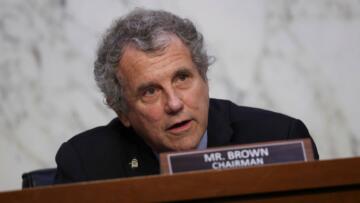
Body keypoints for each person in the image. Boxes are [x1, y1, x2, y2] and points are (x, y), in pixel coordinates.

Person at [55, 8, 319, 184]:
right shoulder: (86, 166)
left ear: (204, 77)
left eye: (182, 78)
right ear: (122, 111)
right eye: (150, 91)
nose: (174, 103)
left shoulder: (280, 138)